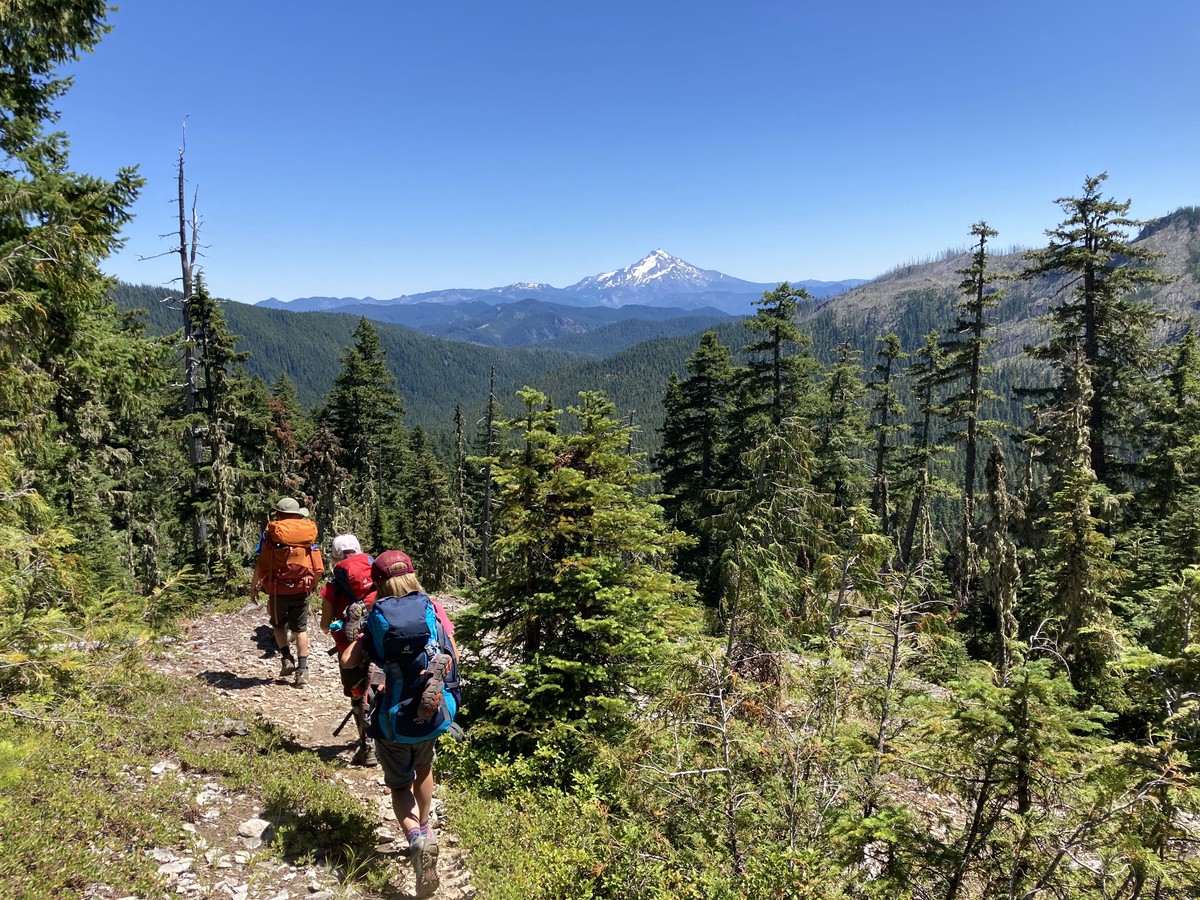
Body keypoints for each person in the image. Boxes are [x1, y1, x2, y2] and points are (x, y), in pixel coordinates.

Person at [339, 549, 458, 899]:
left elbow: (348, 661)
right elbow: (454, 653)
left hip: (392, 719)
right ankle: (427, 825)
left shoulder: (376, 615)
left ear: (377, 581)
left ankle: (416, 839)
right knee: (424, 767)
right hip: (429, 714)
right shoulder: (431, 607)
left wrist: (356, 637)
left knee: (398, 786)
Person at [250, 497, 323, 687]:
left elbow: (262, 561)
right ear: (297, 514)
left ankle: (286, 658)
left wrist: (254, 587)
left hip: (277, 588)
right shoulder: (306, 532)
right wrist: (313, 584)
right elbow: (314, 560)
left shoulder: (270, 533)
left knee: (277, 624)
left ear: (278, 514)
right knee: (300, 629)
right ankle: (303, 670)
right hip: (302, 587)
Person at [320, 533, 379, 766]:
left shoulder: (333, 587)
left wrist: (334, 624)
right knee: (382, 688)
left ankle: (367, 746)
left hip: (350, 648)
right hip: (382, 642)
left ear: (335, 558)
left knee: (358, 694)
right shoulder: (378, 576)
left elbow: (325, 626)